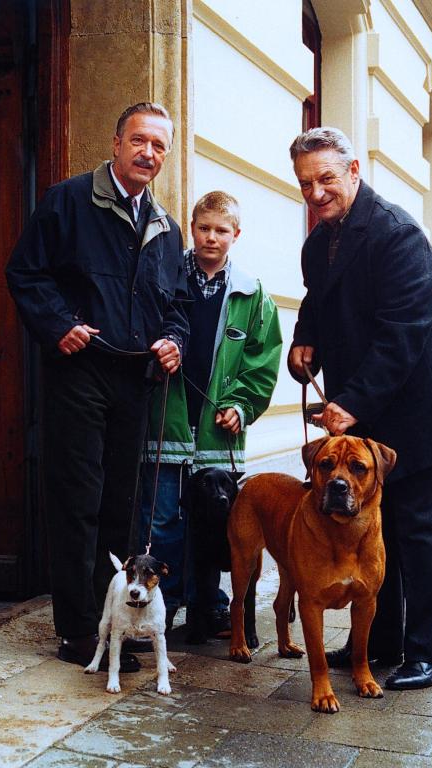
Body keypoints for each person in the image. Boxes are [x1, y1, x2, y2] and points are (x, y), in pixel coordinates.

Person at [6, 102, 189, 670]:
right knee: (77, 501)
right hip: (79, 374)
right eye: (139, 141)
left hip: (135, 380)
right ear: (115, 143)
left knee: (121, 505)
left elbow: (176, 306)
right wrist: (58, 325)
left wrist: (173, 341)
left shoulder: (166, 226)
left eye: (159, 146)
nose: (148, 154)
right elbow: (25, 272)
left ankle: (112, 620)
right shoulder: (67, 200)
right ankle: (78, 629)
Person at [288, 127, 432, 690]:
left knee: (417, 528)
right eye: (305, 183)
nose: (316, 193)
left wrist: (350, 404)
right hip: (362, 406)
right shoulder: (319, 242)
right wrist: (303, 340)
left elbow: (404, 334)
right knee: (375, 532)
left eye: (326, 178)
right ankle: (381, 642)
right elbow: (319, 302)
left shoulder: (398, 234)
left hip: (416, 408)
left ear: (354, 171)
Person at [140, 190, 282, 635]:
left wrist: (241, 406)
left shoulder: (252, 294)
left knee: (217, 526)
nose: (211, 237)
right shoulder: (167, 276)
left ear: (235, 235)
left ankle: (211, 606)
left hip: (218, 435)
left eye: (222, 230)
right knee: (162, 521)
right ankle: (162, 606)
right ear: (192, 227)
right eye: (203, 228)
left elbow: (262, 362)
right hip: (168, 423)